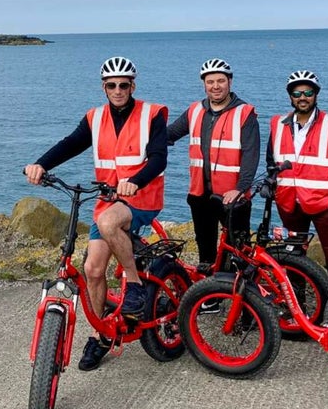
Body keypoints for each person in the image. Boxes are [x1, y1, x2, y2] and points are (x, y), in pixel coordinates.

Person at [23, 56, 168, 371]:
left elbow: (158, 159)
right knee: (92, 269)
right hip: (108, 199)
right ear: (104, 87)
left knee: (107, 222)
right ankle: (101, 335)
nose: (118, 90)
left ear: (133, 86)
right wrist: (41, 164)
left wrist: (135, 181)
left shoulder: (152, 114)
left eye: (124, 85)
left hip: (143, 196)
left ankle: (135, 286)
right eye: (112, 85)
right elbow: (71, 144)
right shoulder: (95, 118)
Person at [166, 58, 259, 271]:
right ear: (204, 84)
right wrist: (144, 138)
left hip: (232, 197)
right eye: (210, 82)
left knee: (239, 251)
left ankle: (244, 300)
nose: (215, 86)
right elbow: (170, 133)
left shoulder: (244, 113)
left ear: (230, 82)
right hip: (201, 195)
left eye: (220, 81)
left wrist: (240, 188)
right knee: (205, 250)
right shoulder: (195, 111)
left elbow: (250, 155)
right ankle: (210, 300)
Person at [265, 71, 328, 287]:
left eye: (308, 92)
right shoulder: (278, 124)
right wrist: (277, 192)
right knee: (294, 256)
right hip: (289, 203)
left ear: (315, 94)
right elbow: (272, 162)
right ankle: (299, 306)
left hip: (324, 204)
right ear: (290, 96)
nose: (302, 97)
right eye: (297, 93)